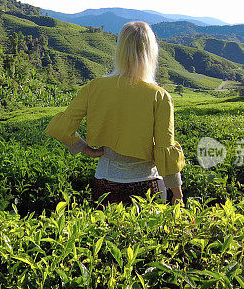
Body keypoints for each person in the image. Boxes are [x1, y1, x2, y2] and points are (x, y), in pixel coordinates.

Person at [45, 21, 185, 204]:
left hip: (105, 183)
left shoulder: (95, 87)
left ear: (120, 49)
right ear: (151, 52)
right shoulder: (159, 96)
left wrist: (85, 149)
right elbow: (164, 149)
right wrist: (178, 193)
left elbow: (62, 128)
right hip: (147, 185)